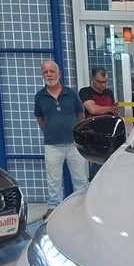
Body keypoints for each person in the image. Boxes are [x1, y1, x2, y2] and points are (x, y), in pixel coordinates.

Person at [33, 59, 88, 212]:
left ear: (59, 74)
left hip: (74, 144)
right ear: (42, 75)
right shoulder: (39, 96)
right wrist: (50, 132)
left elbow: (81, 115)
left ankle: (82, 206)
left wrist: (75, 132)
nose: (49, 74)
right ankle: (53, 206)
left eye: (52, 71)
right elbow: (40, 119)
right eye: (45, 72)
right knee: (53, 179)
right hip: (52, 145)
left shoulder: (71, 93)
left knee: (80, 178)